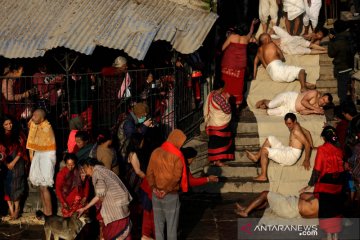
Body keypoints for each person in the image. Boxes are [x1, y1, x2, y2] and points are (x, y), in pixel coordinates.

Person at [300, 126, 346, 240]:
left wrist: (310, 184)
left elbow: (317, 169)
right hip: (339, 184)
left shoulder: (322, 149)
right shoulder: (339, 150)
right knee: (336, 210)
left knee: (327, 211)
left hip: (326, 184)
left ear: (324, 138)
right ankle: (335, 237)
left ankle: (329, 237)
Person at [146, 129, 188, 240]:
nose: (181, 145)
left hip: (156, 194)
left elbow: (149, 173)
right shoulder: (178, 156)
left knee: (158, 227)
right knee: (171, 228)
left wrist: (153, 188)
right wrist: (166, 190)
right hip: (171, 195)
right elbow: (176, 177)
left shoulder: (155, 152)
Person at [246, 113, 313, 181]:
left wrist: (306, 160)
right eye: (286, 123)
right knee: (270, 138)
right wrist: (312, 146)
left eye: (289, 123)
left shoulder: (296, 131)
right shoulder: (296, 125)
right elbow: (307, 132)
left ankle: (263, 175)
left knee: (264, 150)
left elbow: (306, 144)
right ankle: (256, 157)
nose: (288, 126)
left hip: (291, 157)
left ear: (294, 121)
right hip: (288, 150)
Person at [77, 158, 132, 240]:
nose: (85, 172)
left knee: (114, 234)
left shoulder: (97, 173)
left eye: (84, 168)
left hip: (115, 212)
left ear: (89, 166)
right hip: (121, 208)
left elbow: (99, 195)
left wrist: (85, 208)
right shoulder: (103, 169)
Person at [221, 19, 258, 108]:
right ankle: (237, 106)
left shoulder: (231, 37)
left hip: (228, 63)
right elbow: (250, 33)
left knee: (227, 83)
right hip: (240, 66)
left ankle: (225, 104)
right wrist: (252, 24)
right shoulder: (246, 38)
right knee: (238, 85)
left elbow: (223, 48)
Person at [26, 109, 56, 216]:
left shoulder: (47, 127)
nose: (32, 117)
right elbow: (30, 123)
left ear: (42, 118)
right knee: (40, 187)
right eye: (32, 115)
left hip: (47, 156)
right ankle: (45, 211)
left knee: (44, 186)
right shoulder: (36, 124)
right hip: (39, 154)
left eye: (35, 116)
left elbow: (48, 147)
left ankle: (49, 214)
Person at [0, 116, 27, 220]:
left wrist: (13, 162)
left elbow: (22, 150)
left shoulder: (19, 134)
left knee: (17, 183)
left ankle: (17, 208)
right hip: (5, 162)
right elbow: (1, 152)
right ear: (2, 126)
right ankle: (10, 209)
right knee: (7, 185)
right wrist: (6, 163)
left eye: (10, 123)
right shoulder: (1, 136)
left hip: (18, 160)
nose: (9, 126)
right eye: (6, 124)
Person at [203, 79, 234, 167]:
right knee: (221, 142)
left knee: (214, 142)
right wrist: (227, 99)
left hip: (213, 121)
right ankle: (218, 160)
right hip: (220, 123)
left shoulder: (212, 94)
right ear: (221, 88)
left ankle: (214, 160)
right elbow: (227, 110)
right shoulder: (219, 98)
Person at [234, 190, 318, 218]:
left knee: (265, 194)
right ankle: (246, 208)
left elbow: (302, 195)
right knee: (268, 200)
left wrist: (313, 194)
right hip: (293, 211)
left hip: (288, 207)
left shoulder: (317, 201)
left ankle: (245, 212)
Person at [328, 20, 355, 104]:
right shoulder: (350, 37)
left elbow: (331, 54)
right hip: (351, 67)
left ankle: (344, 109)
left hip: (341, 69)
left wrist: (331, 41)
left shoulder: (336, 42)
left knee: (342, 93)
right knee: (352, 89)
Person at [55, 153, 90, 217]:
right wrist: (63, 202)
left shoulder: (81, 172)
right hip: (68, 201)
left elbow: (86, 185)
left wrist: (85, 196)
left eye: (72, 165)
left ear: (75, 163)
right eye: (68, 165)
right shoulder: (61, 174)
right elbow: (58, 189)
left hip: (80, 200)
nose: (70, 167)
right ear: (65, 163)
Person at [255, 90, 333, 116]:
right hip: (289, 98)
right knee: (271, 105)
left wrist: (314, 111)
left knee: (269, 112)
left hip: (290, 110)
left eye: (325, 103)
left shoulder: (319, 108)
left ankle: (267, 106)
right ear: (322, 96)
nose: (322, 102)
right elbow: (303, 102)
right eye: (323, 99)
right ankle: (265, 101)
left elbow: (302, 112)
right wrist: (315, 108)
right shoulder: (314, 93)